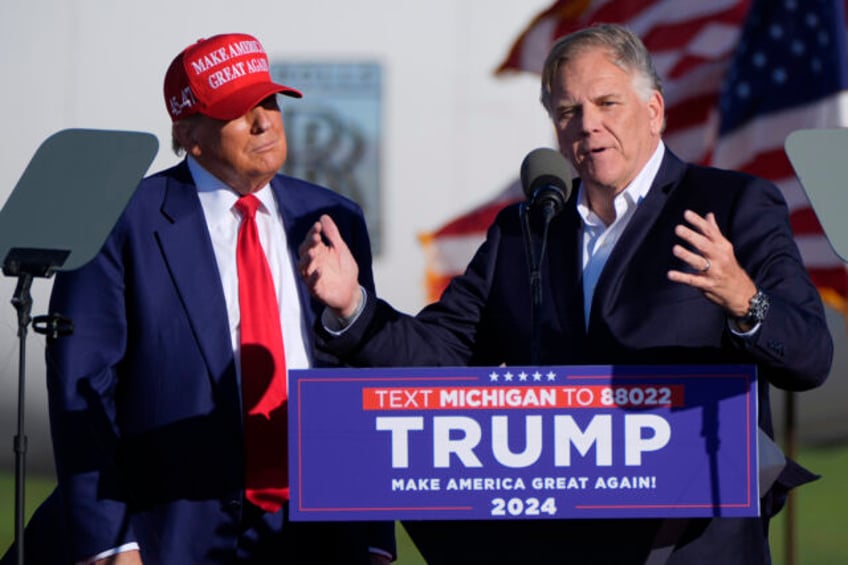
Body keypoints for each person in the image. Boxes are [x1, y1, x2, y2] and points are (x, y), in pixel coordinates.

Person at [298, 23, 833, 564]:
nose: (589, 126)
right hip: (557, 541)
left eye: (607, 103)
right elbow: (441, 356)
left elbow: (809, 356)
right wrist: (353, 307)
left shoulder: (731, 206)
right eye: (567, 111)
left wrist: (745, 300)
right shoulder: (526, 229)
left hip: (689, 541)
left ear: (653, 111)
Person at [5, 33, 395, 564]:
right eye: (239, 111)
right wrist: (111, 542)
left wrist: (372, 536)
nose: (264, 122)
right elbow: (82, 394)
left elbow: (359, 380)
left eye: (270, 103)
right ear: (189, 135)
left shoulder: (334, 216)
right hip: (167, 534)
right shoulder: (121, 221)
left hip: (312, 532)